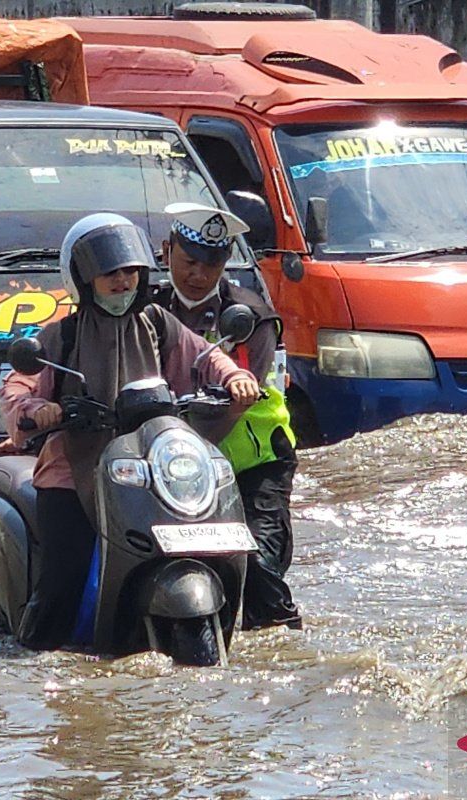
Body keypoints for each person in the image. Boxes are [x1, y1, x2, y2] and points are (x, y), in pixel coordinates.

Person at [1, 213, 259, 650]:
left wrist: (234, 377)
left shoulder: (157, 322)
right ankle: (34, 654)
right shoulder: (61, 336)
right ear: (84, 279)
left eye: (129, 273)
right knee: (64, 574)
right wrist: (37, 408)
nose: (122, 283)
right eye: (110, 274)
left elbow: (205, 358)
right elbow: (19, 385)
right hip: (72, 471)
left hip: (148, 467)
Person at [154, 202, 302, 631]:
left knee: (257, 564)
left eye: (212, 263)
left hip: (254, 467)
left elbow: (242, 392)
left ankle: (283, 640)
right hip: (172, 465)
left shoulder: (250, 315)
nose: (198, 275)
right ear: (166, 252)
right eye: (189, 261)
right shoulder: (146, 311)